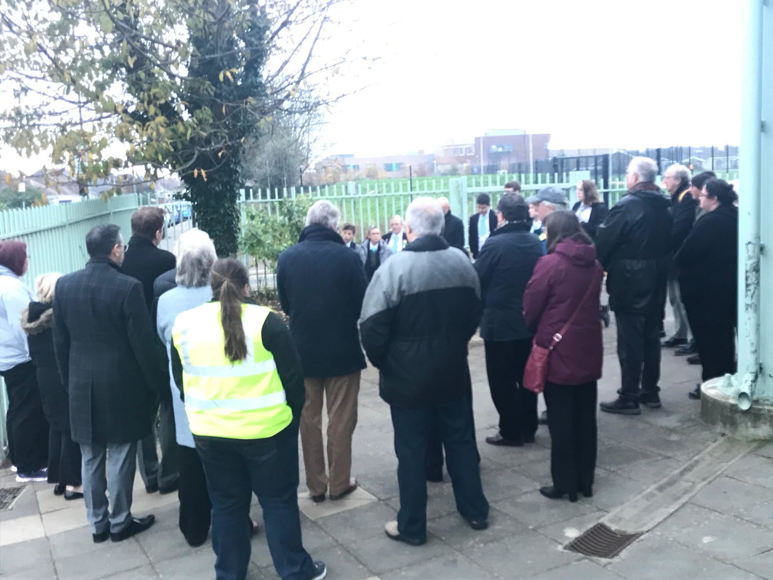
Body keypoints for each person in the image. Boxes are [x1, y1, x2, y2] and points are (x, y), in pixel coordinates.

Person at [171, 258, 326, 580]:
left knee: (226, 505)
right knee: (278, 502)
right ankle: (295, 570)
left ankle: (229, 573)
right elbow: (294, 381)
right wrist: (290, 418)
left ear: (211, 286)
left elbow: (181, 380)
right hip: (268, 432)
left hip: (210, 433)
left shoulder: (183, 325)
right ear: (247, 286)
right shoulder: (267, 322)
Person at [360, 197, 489, 546]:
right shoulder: (462, 263)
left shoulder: (394, 269)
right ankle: (475, 510)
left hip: (408, 378)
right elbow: (475, 310)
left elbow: (371, 326)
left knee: (411, 451)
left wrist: (386, 361)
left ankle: (413, 525)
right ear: (441, 227)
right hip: (452, 370)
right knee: (461, 441)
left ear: (409, 228)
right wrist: (456, 343)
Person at [53, 224, 163, 543]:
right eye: (122, 247)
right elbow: (142, 344)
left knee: (90, 456)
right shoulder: (128, 287)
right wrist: (155, 385)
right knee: (120, 453)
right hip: (120, 385)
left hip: (80, 384)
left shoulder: (64, 286)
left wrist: (69, 381)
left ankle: (98, 523)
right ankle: (119, 521)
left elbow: (60, 343)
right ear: (115, 249)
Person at [277, 200, 367, 503]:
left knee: (308, 420)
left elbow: (286, 304)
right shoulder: (349, 257)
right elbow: (361, 302)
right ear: (334, 225)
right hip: (343, 350)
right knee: (341, 420)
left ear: (308, 223)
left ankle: (316, 485)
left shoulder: (287, 258)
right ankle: (339, 482)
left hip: (302, 352)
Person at [523, 210, 603, 502]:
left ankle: (565, 482)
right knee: (585, 417)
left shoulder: (550, 263)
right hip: (588, 346)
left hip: (558, 350)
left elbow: (532, 305)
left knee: (561, 420)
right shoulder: (594, 263)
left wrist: (539, 328)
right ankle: (585, 479)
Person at [155, 229, 222, 546]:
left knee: (191, 464)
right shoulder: (223, 297)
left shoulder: (166, 301)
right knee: (225, 465)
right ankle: (232, 519)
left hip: (185, 392)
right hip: (223, 391)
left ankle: (193, 527)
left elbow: (162, 339)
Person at [595, 157, 672, 414]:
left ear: (636, 177)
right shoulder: (665, 204)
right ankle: (650, 390)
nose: (626, 178)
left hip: (630, 280)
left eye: (628, 173)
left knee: (630, 340)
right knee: (651, 336)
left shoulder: (627, 206)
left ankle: (629, 395)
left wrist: (603, 265)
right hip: (657, 276)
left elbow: (604, 241)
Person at [474, 193, 542, 446]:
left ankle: (511, 430)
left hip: (499, 322)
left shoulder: (495, 244)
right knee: (526, 376)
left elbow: (478, 277)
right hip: (528, 319)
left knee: (501, 380)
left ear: (501, 215)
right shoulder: (533, 241)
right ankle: (529, 426)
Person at [122, 206, 179, 495]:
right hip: (159, 342)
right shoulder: (166, 260)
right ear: (158, 233)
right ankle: (170, 472)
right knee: (167, 406)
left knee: (142, 412)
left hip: (129, 347)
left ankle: (150, 474)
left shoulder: (120, 261)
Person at [675, 178, 738, 400]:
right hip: (727, 288)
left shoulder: (710, 222)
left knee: (709, 342)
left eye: (703, 195)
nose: (699, 199)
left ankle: (712, 384)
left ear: (714, 198)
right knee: (724, 339)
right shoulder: (736, 216)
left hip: (705, 292)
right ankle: (726, 378)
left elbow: (686, 253)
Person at [21, 273, 82, 499]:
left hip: (43, 376)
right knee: (70, 428)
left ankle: (59, 478)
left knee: (56, 427)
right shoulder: (57, 317)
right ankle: (74, 484)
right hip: (60, 375)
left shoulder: (33, 318)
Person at [0, 240, 49, 481]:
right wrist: (34, 354)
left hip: (8, 356)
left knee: (18, 408)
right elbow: (22, 325)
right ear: (15, 260)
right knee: (28, 410)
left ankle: (19, 459)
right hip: (19, 357)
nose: (27, 261)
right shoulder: (10, 287)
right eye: (25, 257)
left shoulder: (5, 282)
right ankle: (29, 467)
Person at [660, 164, 695, 352]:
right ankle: (680, 333)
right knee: (674, 297)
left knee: (682, 298)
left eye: (667, 177)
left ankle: (692, 338)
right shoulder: (676, 198)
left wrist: (663, 242)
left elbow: (681, 228)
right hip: (673, 256)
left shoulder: (686, 198)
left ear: (677, 180)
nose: (664, 181)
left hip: (680, 255)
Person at [525, 186, 569, 252]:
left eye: (538, 205)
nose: (536, 209)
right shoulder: (547, 227)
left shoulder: (561, 232)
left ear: (550, 208)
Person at [468, 193, 498, 259]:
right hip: (478, 253)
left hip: (492, 252)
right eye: (479, 207)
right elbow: (472, 236)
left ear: (489, 206)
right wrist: (474, 251)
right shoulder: (473, 219)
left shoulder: (495, 217)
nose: (481, 210)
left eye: (483, 208)